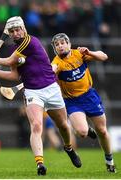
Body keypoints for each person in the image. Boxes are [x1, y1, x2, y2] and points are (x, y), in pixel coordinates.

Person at [0, 16, 81, 176]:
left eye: (18, 30)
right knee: (36, 125)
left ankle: (68, 148)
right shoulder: (14, 50)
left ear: (23, 29)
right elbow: (15, 75)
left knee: (63, 126)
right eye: (12, 31)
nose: (16, 33)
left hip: (51, 88)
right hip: (32, 91)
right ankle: (40, 164)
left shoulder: (31, 41)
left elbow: (9, 61)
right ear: (9, 34)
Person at [50, 33, 116, 173]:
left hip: (89, 96)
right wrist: (51, 71)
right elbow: (52, 69)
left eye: (63, 43)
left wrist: (90, 52)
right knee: (82, 132)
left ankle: (109, 161)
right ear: (55, 49)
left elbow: (104, 56)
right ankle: (88, 129)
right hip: (72, 101)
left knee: (103, 131)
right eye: (57, 45)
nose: (60, 46)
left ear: (69, 44)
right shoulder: (57, 62)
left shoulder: (79, 54)